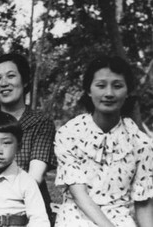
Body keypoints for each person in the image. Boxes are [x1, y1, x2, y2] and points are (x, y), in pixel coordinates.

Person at [54, 56, 153, 227]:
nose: (109, 93)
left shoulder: (141, 143)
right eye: (101, 85)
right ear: (89, 90)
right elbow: (79, 195)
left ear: (128, 91)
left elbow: (143, 204)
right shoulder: (69, 133)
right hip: (75, 217)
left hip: (121, 219)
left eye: (117, 86)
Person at [0, 53, 57, 220]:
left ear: (25, 81)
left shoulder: (41, 123)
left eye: (11, 76)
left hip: (26, 206)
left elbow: (35, 178)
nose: (4, 83)